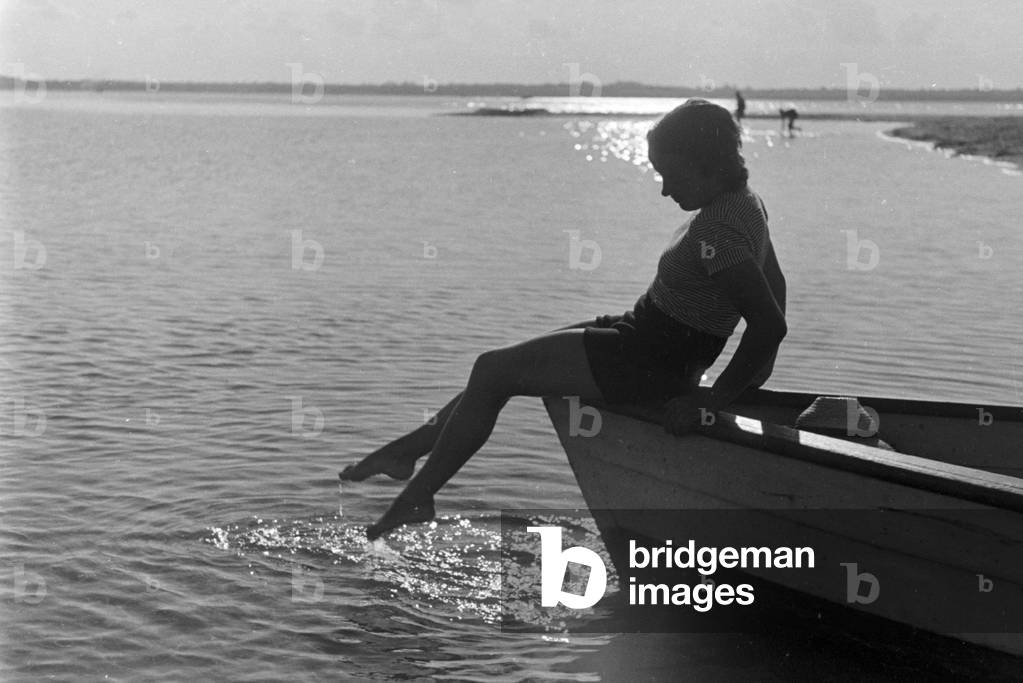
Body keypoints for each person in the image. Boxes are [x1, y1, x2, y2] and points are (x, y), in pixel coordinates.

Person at [341, 99, 788, 541]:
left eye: (671, 174)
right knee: (500, 367)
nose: (665, 190)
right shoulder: (747, 203)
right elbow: (776, 285)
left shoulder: (718, 230)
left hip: (648, 360)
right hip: (642, 332)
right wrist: (758, 371)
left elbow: (768, 324)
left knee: (492, 369)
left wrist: (712, 403)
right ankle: (408, 453)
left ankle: (417, 493)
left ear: (705, 164)